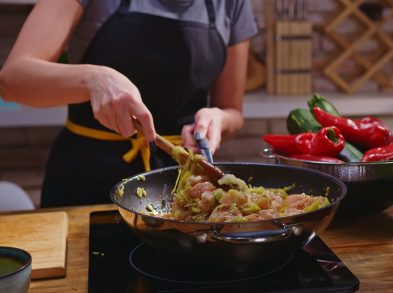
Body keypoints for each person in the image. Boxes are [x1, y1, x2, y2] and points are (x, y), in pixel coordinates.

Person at [0, 0, 257, 207]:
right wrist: (95, 79)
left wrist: (218, 119)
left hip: (180, 192)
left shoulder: (233, 4)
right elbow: (12, 80)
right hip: (85, 179)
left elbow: (232, 111)